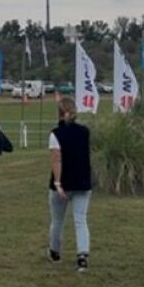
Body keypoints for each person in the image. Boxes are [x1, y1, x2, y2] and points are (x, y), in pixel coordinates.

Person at [47, 97, 93, 273]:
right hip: (82, 181)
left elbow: (56, 159)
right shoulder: (85, 132)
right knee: (81, 220)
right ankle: (82, 255)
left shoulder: (55, 134)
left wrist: (58, 183)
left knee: (58, 220)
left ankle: (55, 251)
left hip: (64, 182)